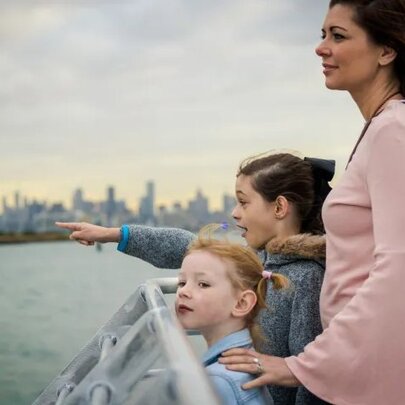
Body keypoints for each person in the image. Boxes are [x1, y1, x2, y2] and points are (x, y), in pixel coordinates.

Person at [218, 1, 405, 404]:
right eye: (322, 35)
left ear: (387, 51)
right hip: (362, 366)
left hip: (375, 375)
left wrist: (301, 366)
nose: (321, 48)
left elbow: (398, 266)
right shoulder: (381, 128)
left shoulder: (393, 129)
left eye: (338, 36)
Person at [56, 152, 334, 405]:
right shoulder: (257, 260)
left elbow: (313, 378)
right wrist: (115, 234)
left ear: (279, 207)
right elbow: (189, 246)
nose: (235, 212)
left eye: (243, 202)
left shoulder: (307, 277)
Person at [175, 224, 289, 404]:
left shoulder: (219, 381)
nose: (183, 292)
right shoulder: (244, 360)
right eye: (182, 283)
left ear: (242, 303)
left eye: (203, 284)